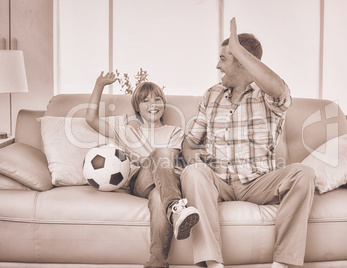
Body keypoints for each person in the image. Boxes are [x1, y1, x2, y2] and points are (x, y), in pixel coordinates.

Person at [180, 18, 315, 268]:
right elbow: (189, 142)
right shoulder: (211, 95)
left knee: (303, 173)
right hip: (218, 180)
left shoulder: (267, 95)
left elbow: (279, 89)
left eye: (223, 59)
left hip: (257, 182)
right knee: (193, 172)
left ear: (242, 61)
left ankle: (283, 263)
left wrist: (239, 50)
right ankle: (212, 263)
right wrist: (190, 155)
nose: (217, 66)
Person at [86, 72, 200, 268]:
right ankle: (178, 209)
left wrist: (153, 157)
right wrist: (99, 85)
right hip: (141, 182)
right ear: (137, 107)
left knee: (158, 196)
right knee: (160, 154)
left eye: (157, 99)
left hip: (166, 185)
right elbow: (91, 119)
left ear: (163, 104)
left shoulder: (175, 131)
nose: (152, 104)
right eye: (145, 101)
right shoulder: (128, 132)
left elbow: (169, 162)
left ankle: (157, 261)